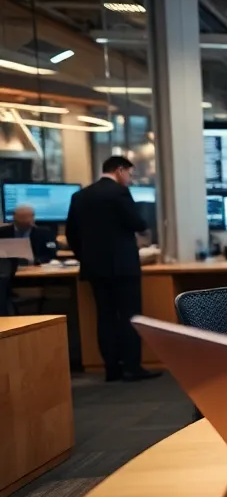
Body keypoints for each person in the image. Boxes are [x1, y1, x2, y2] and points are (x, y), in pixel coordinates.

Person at [65, 156, 160, 382]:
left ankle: (111, 369)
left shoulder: (80, 196)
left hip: (94, 268)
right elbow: (137, 223)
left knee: (105, 317)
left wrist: (84, 257)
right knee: (130, 316)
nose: (130, 179)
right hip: (123, 266)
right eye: (130, 174)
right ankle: (132, 367)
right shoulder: (119, 193)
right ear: (119, 170)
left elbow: (71, 234)